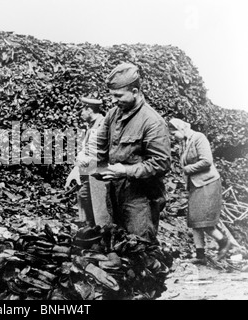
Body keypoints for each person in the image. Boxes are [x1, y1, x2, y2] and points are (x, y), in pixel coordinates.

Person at [95, 62, 171, 243]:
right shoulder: (113, 115)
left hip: (141, 199)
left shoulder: (152, 122)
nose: (113, 100)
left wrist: (126, 170)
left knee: (140, 248)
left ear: (135, 92)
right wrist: (93, 164)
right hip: (114, 194)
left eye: (118, 95)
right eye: (112, 95)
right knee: (120, 247)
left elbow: (161, 163)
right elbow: (100, 147)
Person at [169, 118, 231, 263]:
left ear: (181, 129)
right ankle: (200, 255)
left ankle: (223, 241)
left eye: (173, 133)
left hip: (208, 183)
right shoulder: (183, 143)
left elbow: (206, 161)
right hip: (195, 184)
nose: (173, 137)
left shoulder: (198, 138)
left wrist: (187, 169)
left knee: (204, 221)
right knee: (194, 220)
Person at [65, 97, 106, 226]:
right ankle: (91, 227)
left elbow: (96, 154)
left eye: (83, 109)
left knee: (95, 202)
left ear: (89, 110)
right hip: (90, 170)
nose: (81, 113)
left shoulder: (101, 126)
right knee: (84, 196)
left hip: (98, 172)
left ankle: (95, 228)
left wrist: (79, 166)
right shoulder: (92, 125)